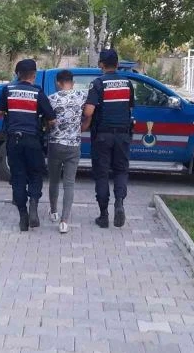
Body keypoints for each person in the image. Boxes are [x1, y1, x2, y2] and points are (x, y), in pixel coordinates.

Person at [0, 59, 56, 231]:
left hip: (14, 140)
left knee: (18, 177)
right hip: (33, 140)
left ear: (17, 74)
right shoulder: (38, 92)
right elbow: (52, 119)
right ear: (34, 75)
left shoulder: (8, 90)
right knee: (36, 174)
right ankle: (34, 205)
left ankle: (23, 215)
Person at [81, 49, 135, 228]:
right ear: (117, 64)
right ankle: (119, 203)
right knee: (121, 171)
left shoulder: (98, 83)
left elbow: (89, 111)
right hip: (123, 134)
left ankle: (103, 215)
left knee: (102, 174)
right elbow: (129, 108)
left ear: (101, 65)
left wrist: (84, 120)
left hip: (102, 136)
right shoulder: (127, 83)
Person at [47, 70, 87, 234]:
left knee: (54, 181)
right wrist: (84, 126)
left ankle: (53, 212)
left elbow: (47, 121)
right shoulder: (81, 96)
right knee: (69, 184)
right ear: (73, 82)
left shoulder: (51, 99)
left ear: (58, 83)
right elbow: (90, 112)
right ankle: (64, 221)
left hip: (55, 145)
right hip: (74, 146)